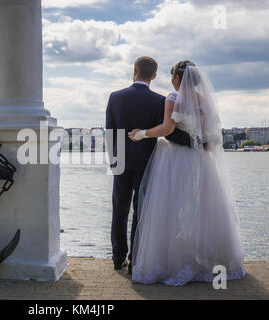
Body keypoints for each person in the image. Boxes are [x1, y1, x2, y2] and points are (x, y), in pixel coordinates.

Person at [129, 60, 246, 286]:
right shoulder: (204, 101)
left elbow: (167, 129)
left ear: (177, 79)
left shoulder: (173, 98)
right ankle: (205, 262)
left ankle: (174, 262)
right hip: (200, 159)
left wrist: (142, 133)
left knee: (172, 207)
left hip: (174, 158)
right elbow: (210, 135)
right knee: (202, 207)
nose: (171, 80)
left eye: (172, 76)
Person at [105, 57, 191, 273]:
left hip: (121, 159)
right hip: (147, 159)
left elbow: (110, 132)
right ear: (154, 76)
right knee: (141, 211)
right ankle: (136, 260)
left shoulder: (115, 97)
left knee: (119, 210)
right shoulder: (159, 100)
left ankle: (117, 258)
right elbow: (166, 131)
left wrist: (113, 160)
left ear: (134, 71)